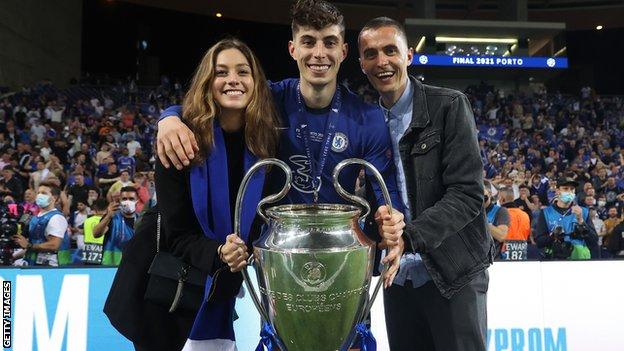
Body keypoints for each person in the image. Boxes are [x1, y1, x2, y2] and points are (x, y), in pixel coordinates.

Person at [157, 0, 405, 288]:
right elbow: (211, 101)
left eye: (329, 42)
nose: (319, 53)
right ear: (293, 49)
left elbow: (385, 191)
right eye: (308, 42)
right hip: (278, 255)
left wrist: (392, 224)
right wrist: (170, 118)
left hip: (342, 254)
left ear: (343, 51)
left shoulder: (368, 118)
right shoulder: (267, 101)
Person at [358, 17, 493, 350]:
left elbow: (467, 193)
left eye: (391, 50)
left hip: (452, 274)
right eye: (371, 54)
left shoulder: (448, 105)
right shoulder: (365, 123)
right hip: (398, 279)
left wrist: (409, 237)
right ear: (360, 63)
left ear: (409, 55)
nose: (382, 62)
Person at [151, 38, 280, 351]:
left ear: (255, 83)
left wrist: (247, 249)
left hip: (230, 282)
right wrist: (219, 252)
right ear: (208, 82)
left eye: (242, 72)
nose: (232, 79)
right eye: (221, 72)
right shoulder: (180, 141)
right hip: (176, 296)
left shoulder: (269, 144)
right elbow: (177, 235)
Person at [535, 177, 599, 260]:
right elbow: (539, 242)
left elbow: (594, 240)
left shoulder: (583, 212)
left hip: (580, 261)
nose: (569, 192)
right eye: (565, 189)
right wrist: (554, 236)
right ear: (557, 191)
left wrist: (581, 221)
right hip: (555, 260)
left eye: (572, 189)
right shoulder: (546, 213)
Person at [12, 182, 70, 266]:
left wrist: (28, 245)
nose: (39, 195)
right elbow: (33, 245)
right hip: (34, 264)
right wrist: (13, 256)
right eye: (38, 193)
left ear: (54, 198)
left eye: (44, 193)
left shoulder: (56, 218)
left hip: (53, 267)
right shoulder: (34, 217)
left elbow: (54, 245)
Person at [93, 186, 139, 266]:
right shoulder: (112, 217)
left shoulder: (142, 219)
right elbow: (96, 234)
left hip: (133, 265)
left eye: (131, 199)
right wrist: (108, 216)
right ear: (120, 201)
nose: (128, 202)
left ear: (137, 201)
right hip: (111, 266)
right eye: (124, 199)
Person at [497, 186, 531, 260]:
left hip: (504, 253)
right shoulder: (525, 215)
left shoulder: (500, 214)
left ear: (502, 199)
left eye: (498, 197)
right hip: (522, 252)